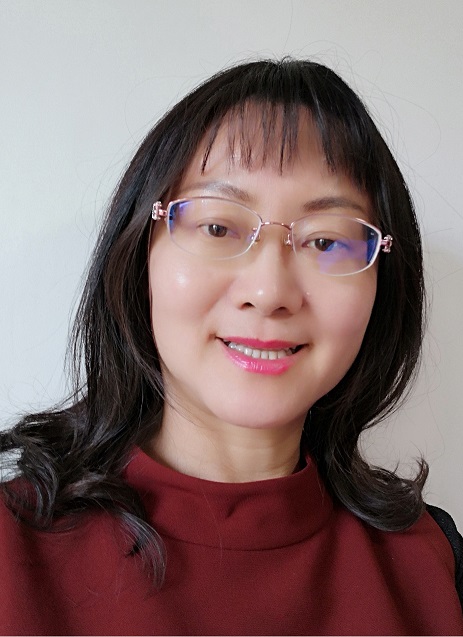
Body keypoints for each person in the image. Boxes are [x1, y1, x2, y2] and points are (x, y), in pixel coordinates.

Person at [0, 58, 462, 636]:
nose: (269, 292)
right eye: (218, 228)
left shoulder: (433, 563)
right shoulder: (14, 551)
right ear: (139, 254)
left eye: (325, 241)